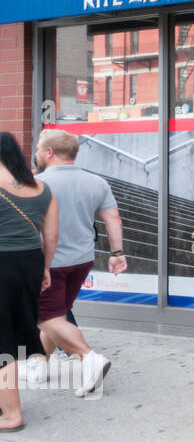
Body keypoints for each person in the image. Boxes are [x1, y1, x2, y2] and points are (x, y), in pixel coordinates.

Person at [29, 129, 123, 397]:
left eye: (38, 148)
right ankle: (39, 363)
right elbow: (113, 219)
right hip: (82, 261)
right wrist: (117, 253)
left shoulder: (37, 184)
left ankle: (88, 357)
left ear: (49, 152)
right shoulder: (97, 182)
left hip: (48, 261)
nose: (35, 153)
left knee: (46, 317)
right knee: (55, 315)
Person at [0, 132, 57, 432]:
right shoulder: (42, 188)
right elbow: (51, 237)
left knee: (2, 340)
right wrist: (45, 269)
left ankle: (11, 414)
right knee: (13, 331)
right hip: (30, 263)